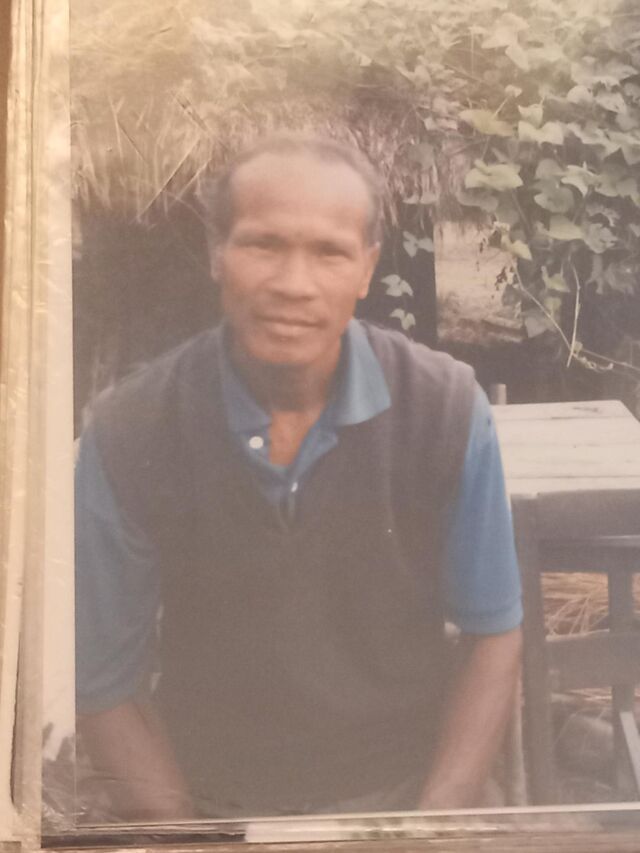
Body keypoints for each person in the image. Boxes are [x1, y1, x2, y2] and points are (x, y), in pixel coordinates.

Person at [75, 135, 523, 821]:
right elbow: (104, 681)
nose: (293, 283)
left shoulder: (446, 410)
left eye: (329, 252)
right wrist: (186, 836)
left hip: (406, 791)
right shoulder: (130, 430)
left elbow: (493, 633)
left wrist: (430, 824)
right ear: (216, 252)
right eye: (264, 244)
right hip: (211, 801)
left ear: (366, 268)